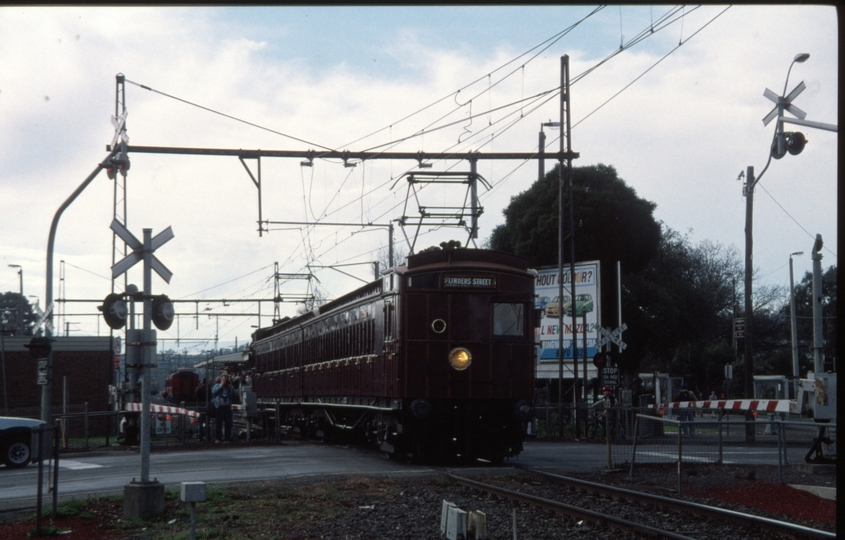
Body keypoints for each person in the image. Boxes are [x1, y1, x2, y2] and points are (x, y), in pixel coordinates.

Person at [212, 374, 237, 442]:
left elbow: (235, 395)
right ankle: (218, 438)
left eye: (226, 380)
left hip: (227, 407)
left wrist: (231, 387)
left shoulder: (229, 388)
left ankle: (227, 438)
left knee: (228, 423)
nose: (225, 381)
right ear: (221, 380)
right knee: (218, 423)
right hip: (219, 407)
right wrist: (221, 385)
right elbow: (214, 392)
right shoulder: (217, 386)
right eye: (223, 380)